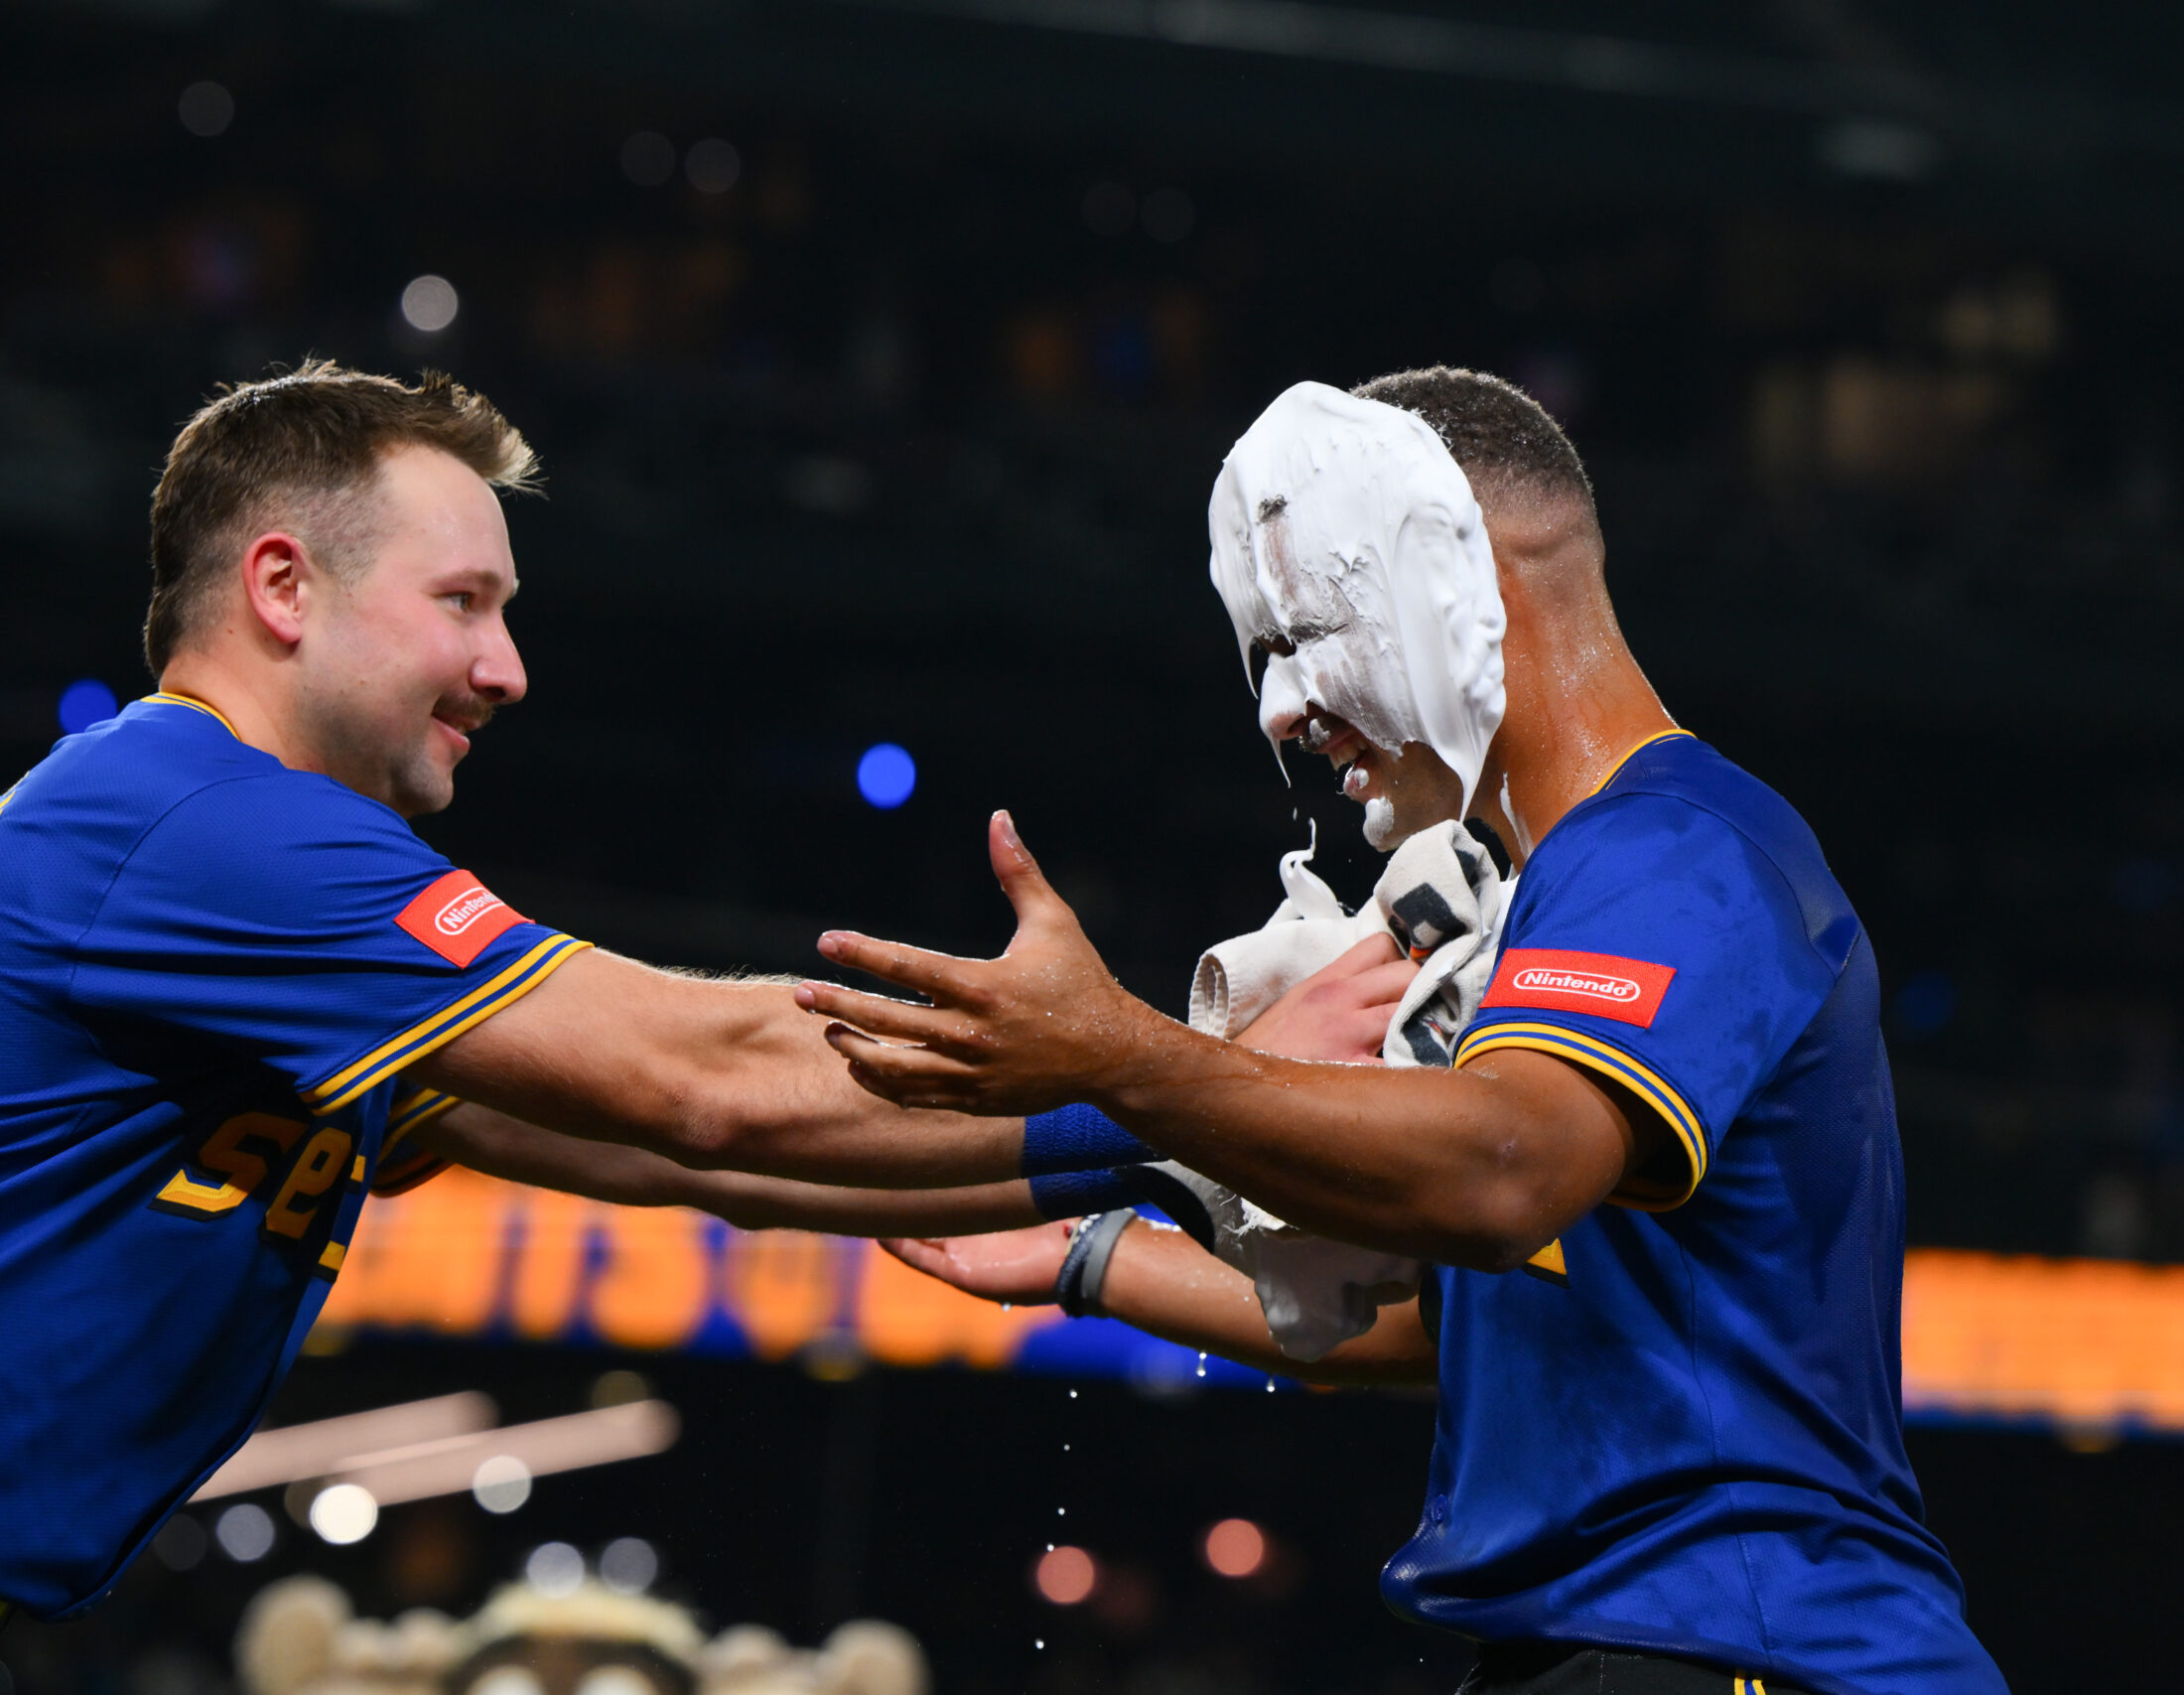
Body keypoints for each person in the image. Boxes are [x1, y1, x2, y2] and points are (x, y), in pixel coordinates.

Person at [0, 360, 1092, 1692]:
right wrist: (1158, 1078)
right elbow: (701, 1080)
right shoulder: (205, 821)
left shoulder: (235, 887)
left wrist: (1155, 1166)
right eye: (464, 601)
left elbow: (694, 1156)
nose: (508, 667)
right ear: (283, 586)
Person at [808, 369, 2007, 1695]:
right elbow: (1464, 1328)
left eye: (1311, 627)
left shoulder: (1673, 849)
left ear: (1463, 575)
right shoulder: (1558, 890)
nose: (1279, 709)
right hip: (1651, 1645)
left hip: (1742, 1646)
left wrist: (1125, 1061)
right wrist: (1097, 1258)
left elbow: (1501, 1175)